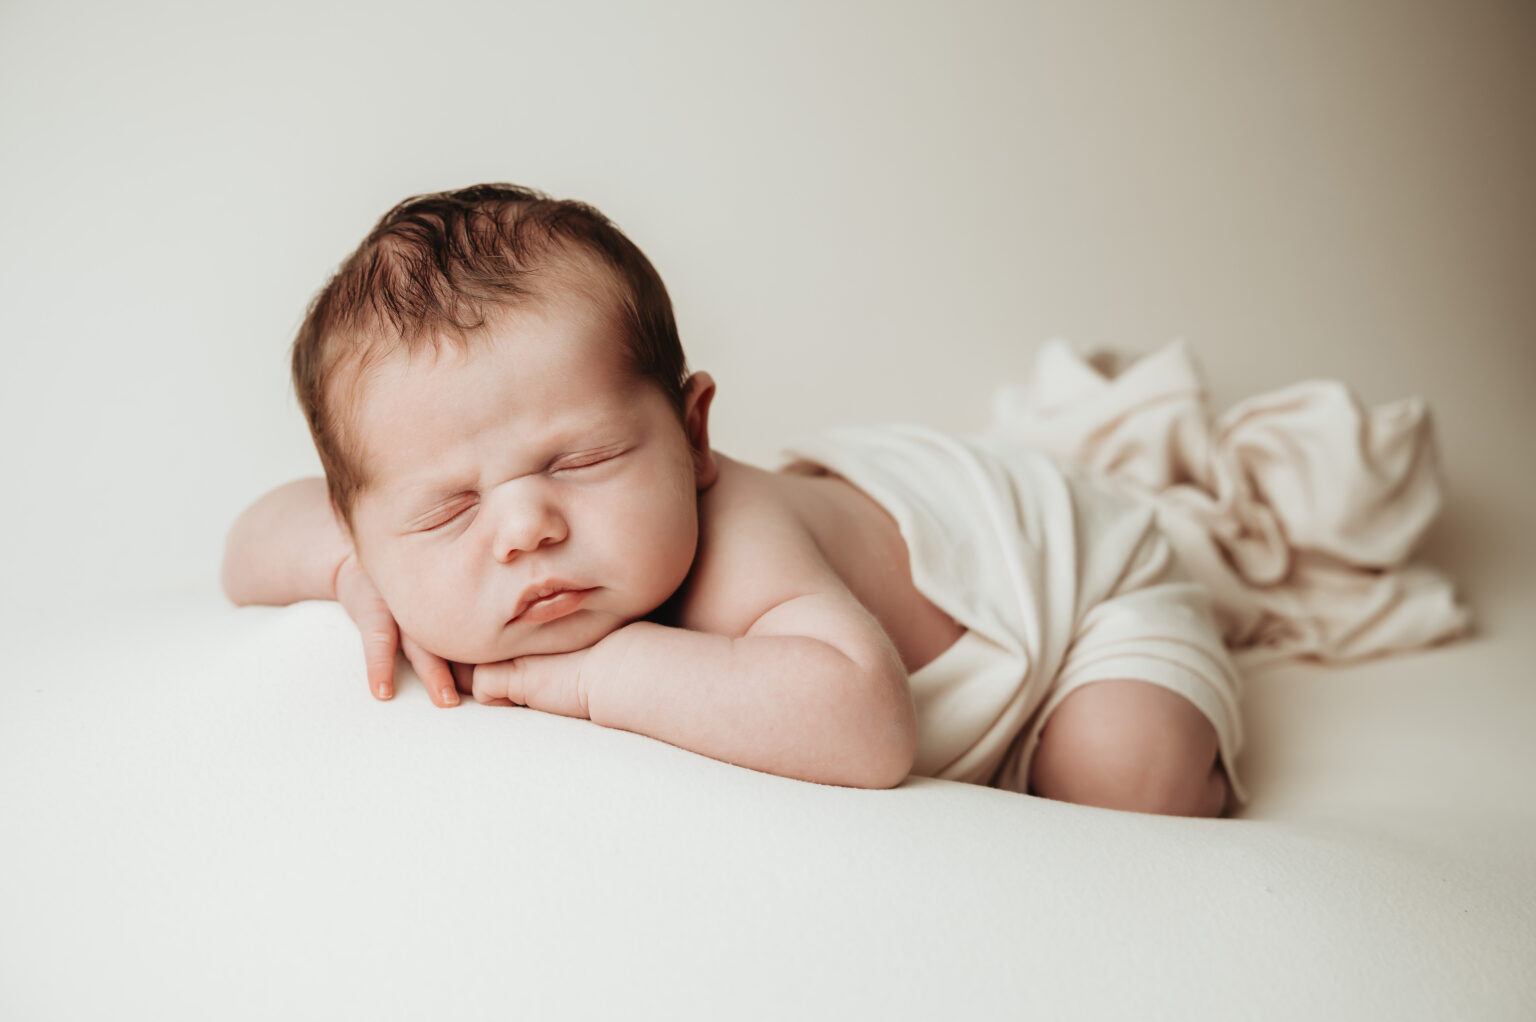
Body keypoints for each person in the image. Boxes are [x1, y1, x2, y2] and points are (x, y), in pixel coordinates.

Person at [223, 183, 1243, 815]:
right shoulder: (387, 535)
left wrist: (598, 674)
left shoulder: (736, 543)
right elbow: (251, 542)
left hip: (1075, 586)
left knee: (1119, 775)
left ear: (693, 434)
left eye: (578, 460)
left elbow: (867, 724)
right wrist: (356, 571)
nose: (526, 524)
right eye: (447, 512)